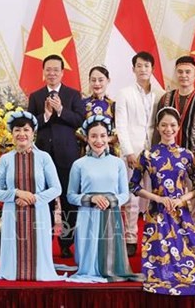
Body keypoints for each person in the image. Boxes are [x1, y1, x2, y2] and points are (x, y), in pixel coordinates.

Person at [131, 107, 195, 295]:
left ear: (178, 127)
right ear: (157, 127)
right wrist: (158, 198)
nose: (168, 129)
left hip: (181, 212)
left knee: (194, 262)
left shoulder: (186, 155)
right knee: (159, 269)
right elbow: (134, 186)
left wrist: (183, 198)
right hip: (157, 212)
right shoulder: (148, 155)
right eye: (163, 125)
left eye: (172, 125)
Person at [67, 115, 143, 283]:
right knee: (89, 257)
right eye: (93, 136)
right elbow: (71, 196)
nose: (99, 140)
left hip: (111, 214)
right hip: (88, 215)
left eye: (103, 136)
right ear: (86, 138)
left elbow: (125, 194)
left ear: (109, 137)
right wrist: (92, 199)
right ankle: (88, 267)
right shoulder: (79, 164)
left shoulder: (117, 163)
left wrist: (110, 200)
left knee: (110, 255)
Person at [0, 111, 63, 281]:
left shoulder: (43, 157)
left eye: (26, 130)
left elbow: (56, 188)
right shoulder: (5, 159)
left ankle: (39, 271)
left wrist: (34, 198)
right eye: (17, 130)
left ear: (33, 133)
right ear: (12, 133)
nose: (21, 134)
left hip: (39, 211)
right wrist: (16, 192)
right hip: (12, 212)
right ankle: (12, 270)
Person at [153, 56, 195, 240]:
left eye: (188, 72)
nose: (184, 75)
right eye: (180, 72)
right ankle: (173, 244)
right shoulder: (166, 99)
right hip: (167, 164)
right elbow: (158, 130)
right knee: (169, 205)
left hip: (193, 163)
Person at [27, 54, 84, 258]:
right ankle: (44, 243)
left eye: (55, 70)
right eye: (48, 69)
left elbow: (79, 120)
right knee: (45, 203)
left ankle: (66, 243)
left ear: (62, 72)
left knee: (69, 203)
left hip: (67, 157)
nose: (51, 73)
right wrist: (46, 116)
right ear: (43, 72)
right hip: (42, 157)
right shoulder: (35, 96)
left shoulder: (73, 94)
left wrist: (60, 110)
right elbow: (30, 125)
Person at [116, 51, 164, 257]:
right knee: (132, 197)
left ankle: (154, 237)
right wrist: (127, 151)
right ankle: (131, 238)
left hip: (155, 152)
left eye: (147, 66)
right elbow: (121, 124)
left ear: (152, 69)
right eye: (139, 66)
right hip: (133, 152)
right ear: (133, 69)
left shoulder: (161, 94)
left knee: (155, 195)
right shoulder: (124, 93)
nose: (143, 69)